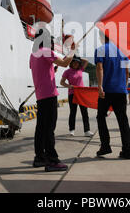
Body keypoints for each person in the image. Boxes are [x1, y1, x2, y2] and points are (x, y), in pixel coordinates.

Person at [30, 27, 76, 172]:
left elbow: (39, 70)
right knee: (50, 129)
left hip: (40, 96)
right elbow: (65, 63)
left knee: (41, 128)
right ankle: (52, 160)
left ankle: (39, 157)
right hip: (49, 95)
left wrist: (51, 70)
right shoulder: (45, 51)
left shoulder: (33, 54)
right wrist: (73, 50)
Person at [95, 31, 130, 160]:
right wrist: (123, 85)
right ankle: (128, 151)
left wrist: (100, 86)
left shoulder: (100, 49)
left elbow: (100, 68)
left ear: (102, 37)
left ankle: (105, 146)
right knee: (123, 121)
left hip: (106, 91)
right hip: (120, 91)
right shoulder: (122, 51)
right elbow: (126, 71)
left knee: (101, 117)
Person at [61, 56, 93, 137]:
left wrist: (77, 57)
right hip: (72, 94)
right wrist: (69, 86)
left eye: (77, 62)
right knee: (73, 112)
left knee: (84, 112)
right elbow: (62, 82)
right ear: (71, 63)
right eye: (74, 62)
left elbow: (86, 61)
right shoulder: (67, 72)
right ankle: (72, 130)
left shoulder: (80, 70)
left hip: (82, 94)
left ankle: (87, 130)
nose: (76, 63)